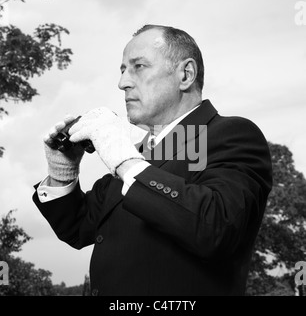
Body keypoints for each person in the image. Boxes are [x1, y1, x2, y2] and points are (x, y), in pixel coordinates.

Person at [32, 24, 272, 296]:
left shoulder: (231, 134)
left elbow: (215, 226)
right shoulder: (136, 155)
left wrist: (124, 160)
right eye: (122, 70)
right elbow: (77, 227)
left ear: (186, 74)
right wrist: (62, 172)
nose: (122, 82)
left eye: (139, 66)